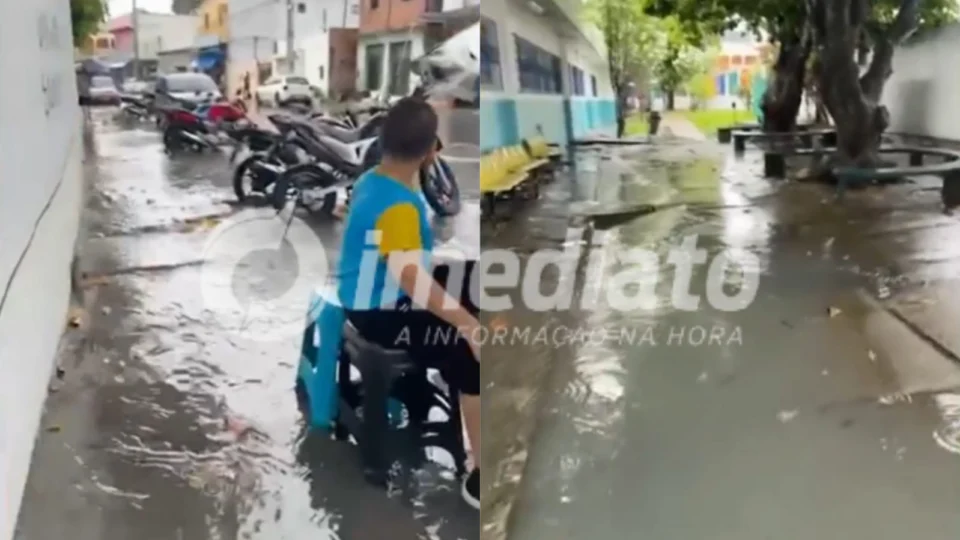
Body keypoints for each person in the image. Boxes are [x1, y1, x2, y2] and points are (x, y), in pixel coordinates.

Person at [337, 97, 482, 509]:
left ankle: (436, 391)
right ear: (430, 148)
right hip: (379, 312)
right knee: (469, 351)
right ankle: (479, 476)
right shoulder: (400, 205)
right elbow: (411, 280)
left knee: (470, 283)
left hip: (365, 294)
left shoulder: (373, 181)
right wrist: (466, 325)